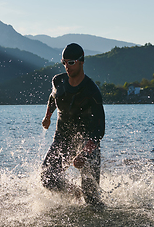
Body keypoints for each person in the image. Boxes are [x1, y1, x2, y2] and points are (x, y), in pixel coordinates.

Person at [41, 43, 105, 207]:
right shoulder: (58, 81)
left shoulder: (92, 92)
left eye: (71, 62)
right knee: (47, 178)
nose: (67, 66)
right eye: (64, 62)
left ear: (81, 61)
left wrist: (84, 153)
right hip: (63, 139)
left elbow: (99, 130)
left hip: (87, 144)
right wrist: (48, 116)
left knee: (92, 200)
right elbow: (52, 98)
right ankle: (74, 192)